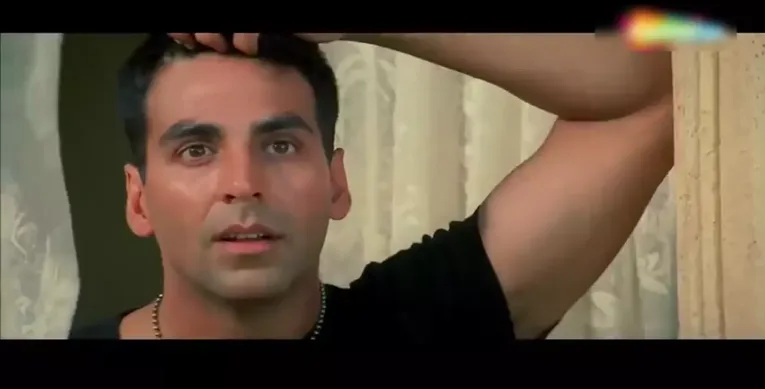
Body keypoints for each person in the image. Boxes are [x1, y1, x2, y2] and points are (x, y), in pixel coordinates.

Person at [69, 33, 674, 341]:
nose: (243, 184)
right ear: (139, 199)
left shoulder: (420, 324)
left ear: (336, 183)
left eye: (280, 145)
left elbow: (659, 84)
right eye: (196, 150)